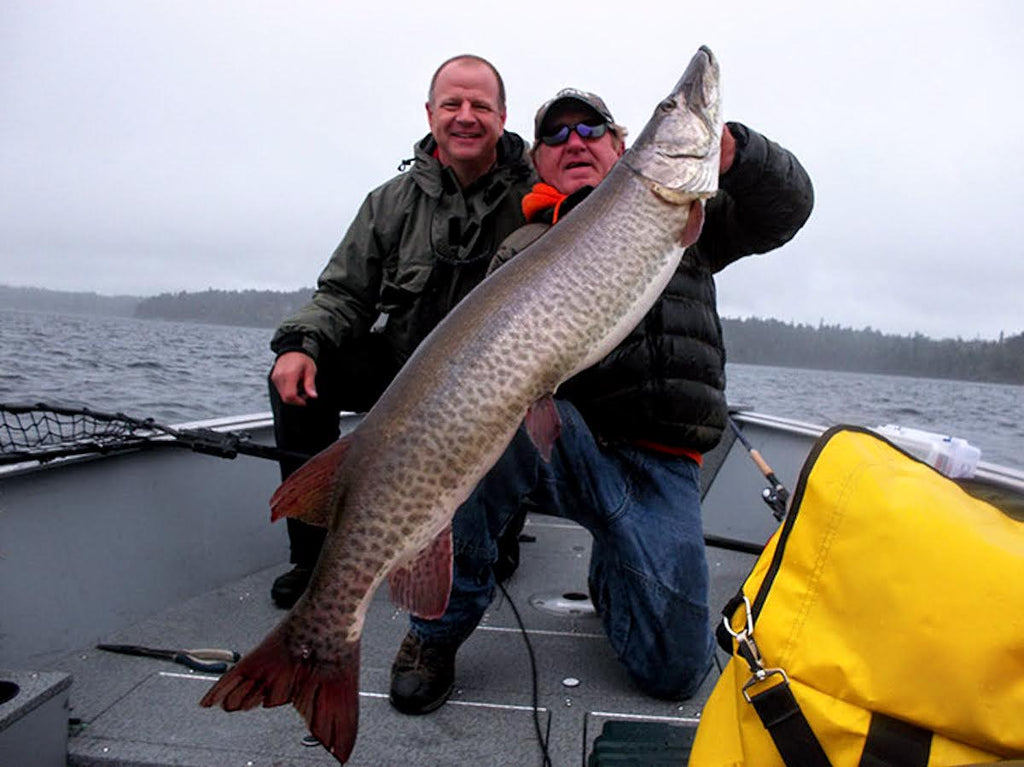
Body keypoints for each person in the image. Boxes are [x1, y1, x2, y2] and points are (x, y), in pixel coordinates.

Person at [388, 87, 814, 713]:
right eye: (556, 137)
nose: (575, 143)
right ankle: (434, 635)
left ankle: (616, 568)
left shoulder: (685, 218)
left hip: (662, 466)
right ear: (539, 163)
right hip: (566, 449)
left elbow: (788, 208)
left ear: (622, 146)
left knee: (672, 670)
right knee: (489, 416)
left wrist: (740, 153)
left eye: (591, 130)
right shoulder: (521, 248)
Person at [267, 54, 536, 608]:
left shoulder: (538, 195)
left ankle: (498, 533)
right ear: (430, 113)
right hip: (402, 368)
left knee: (533, 399)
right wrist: (302, 344)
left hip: (499, 378)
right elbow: (343, 294)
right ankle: (314, 556)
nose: (465, 116)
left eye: (480, 105)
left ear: (503, 116)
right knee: (298, 377)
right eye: (452, 104)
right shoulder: (388, 202)